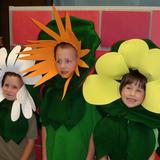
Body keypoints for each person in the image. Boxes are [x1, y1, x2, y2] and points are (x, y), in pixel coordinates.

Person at [19, 6, 101, 160]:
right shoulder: (50, 93)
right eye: (59, 61)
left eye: (68, 61)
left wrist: (89, 157)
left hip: (78, 153)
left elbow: (93, 131)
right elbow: (45, 127)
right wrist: (44, 156)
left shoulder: (87, 93)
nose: (63, 66)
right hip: (54, 152)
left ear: (79, 60)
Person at [83, 39, 160, 160]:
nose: (132, 94)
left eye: (139, 90)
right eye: (128, 88)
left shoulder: (150, 126)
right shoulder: (109, 121)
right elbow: (99, 140)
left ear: (146, 95)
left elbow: (151, 152)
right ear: (120, 89)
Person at [0, 45, 40, 160]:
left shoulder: (27, 112)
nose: (9, 90)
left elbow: (31, 142)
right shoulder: (1, 106)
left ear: (23, 88)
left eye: (14, 87)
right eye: (6, 85)